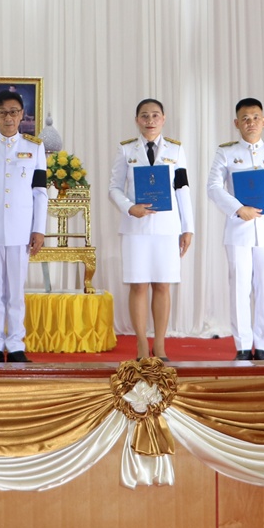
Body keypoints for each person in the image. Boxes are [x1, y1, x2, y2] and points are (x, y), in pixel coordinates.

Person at [206, 97, 264, 361]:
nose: (251, 122)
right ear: (236, 123)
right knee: (239, 288)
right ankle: (243, 345)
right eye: (245, 118)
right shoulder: (226, 153)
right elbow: (213, 187)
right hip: (238, 230)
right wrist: (237, 208)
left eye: (256, 117)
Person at [108, 98, 195, 360]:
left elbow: (182, 189)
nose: (150, 120)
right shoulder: (126, 150)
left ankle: (159, 345)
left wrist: (188, 228)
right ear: (137, 120)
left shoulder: (176, 150)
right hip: (136, 228)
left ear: (163, 119)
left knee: (163, 286)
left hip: (167, 228)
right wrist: (129, 207)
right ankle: (141, 345)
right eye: (144, 116)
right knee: (138, 286)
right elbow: (114, 188)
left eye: (155, 115)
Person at [0, 90, 49, 363]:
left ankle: (15, 345)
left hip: (20, 229)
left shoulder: (34, 148)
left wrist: (39, 229)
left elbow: (40, 193)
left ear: (22, 115)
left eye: (14, 112)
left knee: (16, 291)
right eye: (2, 112)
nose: (8, 117)